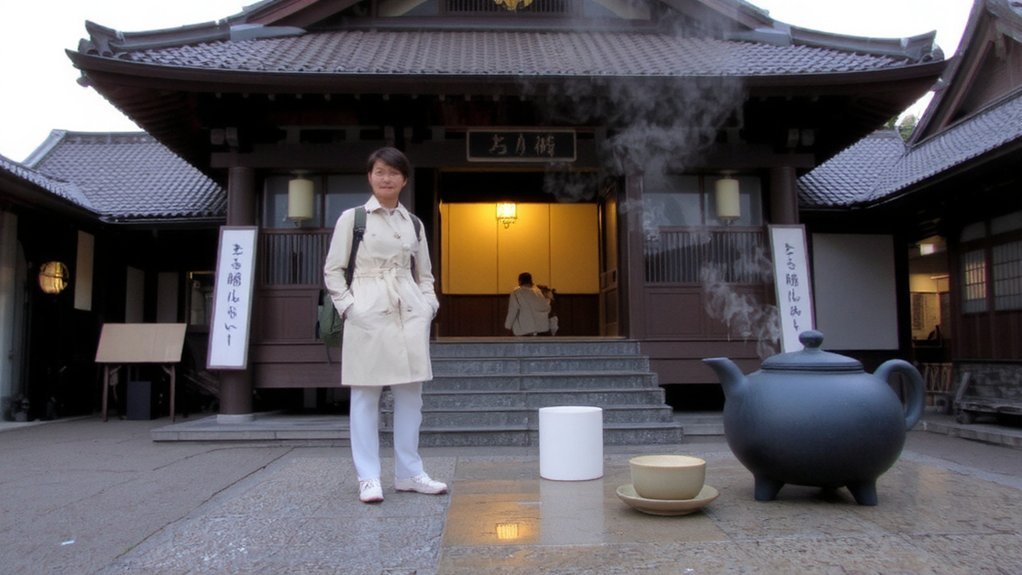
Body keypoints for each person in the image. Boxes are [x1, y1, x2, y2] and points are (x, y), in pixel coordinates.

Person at [323, 147, 447, 504]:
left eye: (393, 173)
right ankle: (368, 477)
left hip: (408, 310)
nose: (386, 178)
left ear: (404, 180)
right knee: (365, 395)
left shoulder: (415, 223)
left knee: (411, 397)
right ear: (370, 176)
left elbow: (425, 273)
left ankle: (409, 473)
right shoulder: (353, 218)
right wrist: (350, 309)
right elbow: (333, 270)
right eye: (379, 171)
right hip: (367, 307)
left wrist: (429, 305)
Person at [504, 272, 553, 336]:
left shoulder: (516, 293)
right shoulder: (538, 292)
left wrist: (508, 326)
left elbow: (513, 311)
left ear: (520, 281)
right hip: (541, 330)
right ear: (530, 280)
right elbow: (547, 308)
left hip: (524, 330)